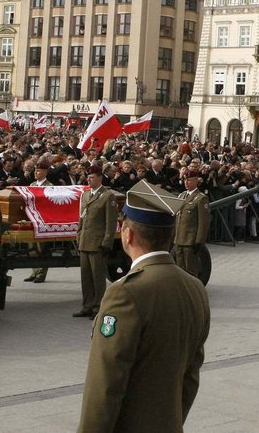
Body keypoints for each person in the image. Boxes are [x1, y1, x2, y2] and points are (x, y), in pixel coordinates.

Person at [78, 180, 210, 432]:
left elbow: (106, 383)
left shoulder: (125, 292)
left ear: (128, 234)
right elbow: (191, 375)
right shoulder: (195, 288)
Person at [74, 165, 118, 319]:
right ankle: (87, 305)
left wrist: (107, 242)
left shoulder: (107, 196)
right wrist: (79, 234)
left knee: (97, 277)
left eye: (92, 177)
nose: (89, 179)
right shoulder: (85, 195)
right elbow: (82, 217)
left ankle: (98, 307)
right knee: (85, 277)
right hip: (85, 241)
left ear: (100, 178)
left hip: (98, 242)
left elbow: (110, 222)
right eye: (88, 177)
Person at [24, 157, 55, 284]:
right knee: (32, 247)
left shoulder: (50, 186)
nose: (36, 173)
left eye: (39, 171)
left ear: (45, 172)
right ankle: (35, 271)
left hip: (43, 219)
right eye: (35, 171)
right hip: (32, 219)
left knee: (41, 248)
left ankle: (41, 273)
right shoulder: (32, 185)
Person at [174, 170, 210, 278]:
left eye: (189, 180)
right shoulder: (181, 196)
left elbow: (203, 222)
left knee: (190, 271)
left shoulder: (201, 198)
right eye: (185, 180)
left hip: (190, 240)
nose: (186, 182)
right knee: (180, 270)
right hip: (179, 239)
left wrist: (199, 241)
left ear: (196, 181)